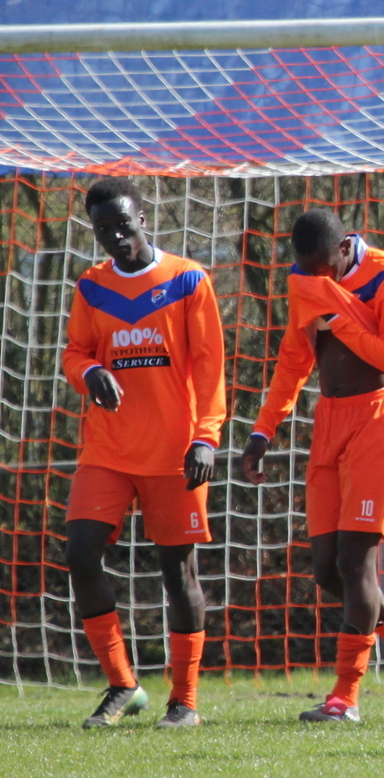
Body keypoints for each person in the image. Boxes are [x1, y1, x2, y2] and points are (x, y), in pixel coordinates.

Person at [241, 210, 384, 724]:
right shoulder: (304, 279)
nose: (317, 278)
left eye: (324, 268)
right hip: (330, 421)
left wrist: (343, 324)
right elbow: (295, 357)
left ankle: (345, 698)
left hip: (379, 417)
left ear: (344, 248)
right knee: (328, 570)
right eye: (307, 270)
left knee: (357, 564)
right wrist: (263, 430)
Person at [63, 177, 225, 729]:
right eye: (103, 229)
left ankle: (185, 702)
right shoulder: (92, 287)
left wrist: (206, 437)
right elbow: (74, 352)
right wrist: (90, 372)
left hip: (174, 453)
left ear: (143, 219)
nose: (115, 236)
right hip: (107, 450)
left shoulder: (187, 280)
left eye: (123, 224)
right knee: (80, 553)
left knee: (178, 574)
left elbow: (210, 366)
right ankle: (122, 685)